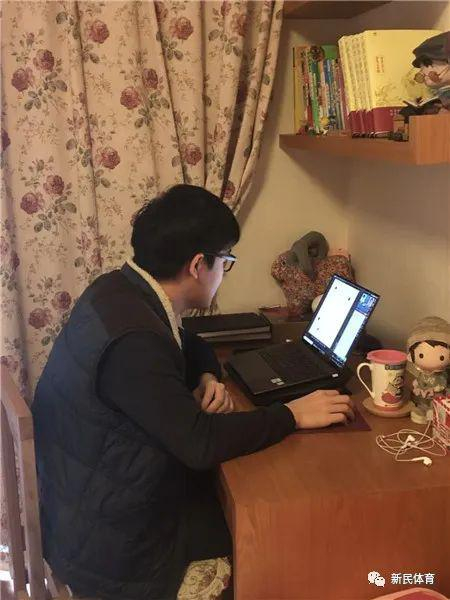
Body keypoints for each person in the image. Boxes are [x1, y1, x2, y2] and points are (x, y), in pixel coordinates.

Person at [32, 184, 354, 600]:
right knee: (267, 535)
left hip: (88, 501)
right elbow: (200, 443)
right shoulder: (134, 342)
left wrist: (205, 375)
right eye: (227, 262)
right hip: (112, 549)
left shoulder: (117, 290)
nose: (225, 273)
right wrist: (293, 414)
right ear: (199, 265)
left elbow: (186, 341)